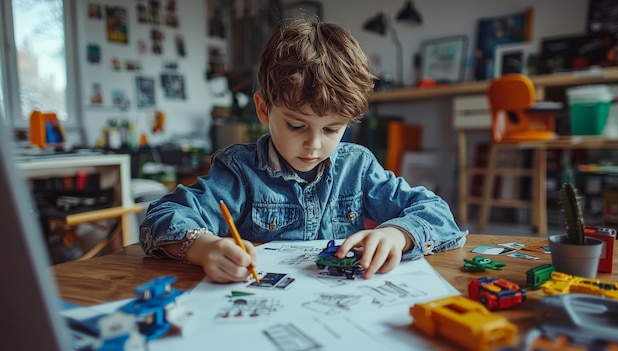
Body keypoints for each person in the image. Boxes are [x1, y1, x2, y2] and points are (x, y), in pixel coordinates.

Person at [140, 17, 467, 283]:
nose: (314, 144)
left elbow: (436, 213)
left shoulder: (358, 167)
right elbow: (162, 217)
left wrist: (398, 234)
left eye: (332, 129)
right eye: (297, 126)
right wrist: (205, 248)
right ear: (264, 109)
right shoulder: (240, 171)